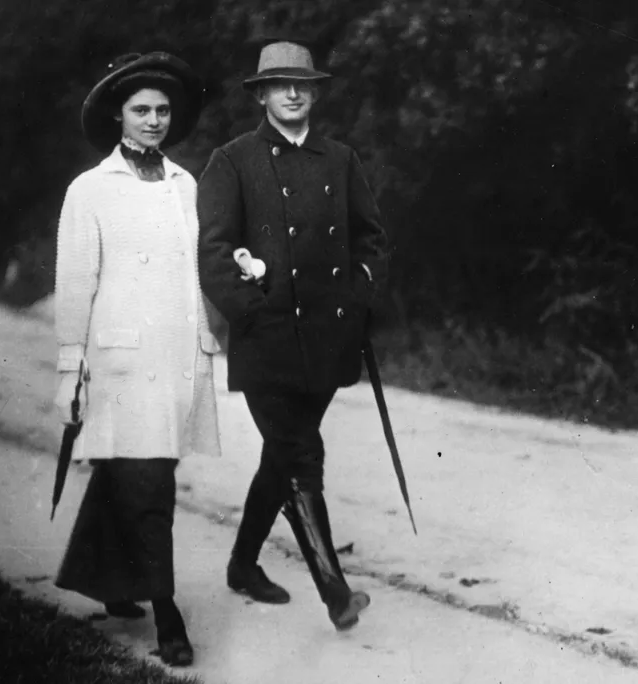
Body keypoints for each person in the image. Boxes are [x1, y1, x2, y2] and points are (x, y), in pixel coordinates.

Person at [197, 38, 390, 631]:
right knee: (302, 454)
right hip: (268, 339)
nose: (291, 93)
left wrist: (357, 297)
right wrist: (251, 311)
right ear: (261, 94)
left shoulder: (340, 159)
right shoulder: (232, 160)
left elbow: (373, 240)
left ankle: (241, 564)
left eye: (301, 85)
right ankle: (336, 595)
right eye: (279, 84)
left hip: (329, 339)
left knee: (283, 454)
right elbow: (214, 252)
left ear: (314, 92)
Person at [52, 51, 221, 668]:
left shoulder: (186, 184)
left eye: (163, 111)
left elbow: (195, 276)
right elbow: (75, 284)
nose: (154, 120)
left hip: (173, 358)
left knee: (133, 475)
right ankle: (167, 614)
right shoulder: (90, 189)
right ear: (119, 118)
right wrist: (72, 370)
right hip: (119, 364)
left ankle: (113, 582)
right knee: (150, 486)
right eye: (141, 110)